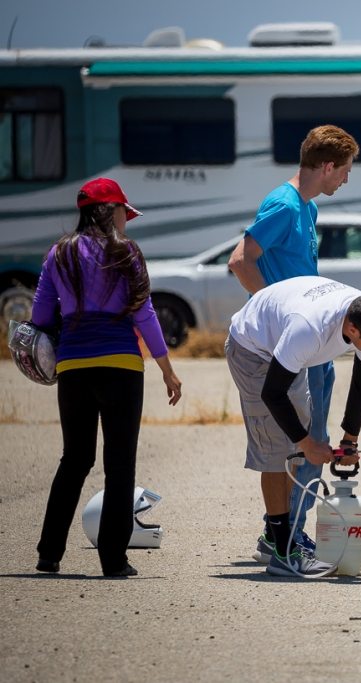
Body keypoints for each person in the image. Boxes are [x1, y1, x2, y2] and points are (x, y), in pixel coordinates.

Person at [31, 178, 183, 578]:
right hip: (120, 366)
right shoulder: (126, 252)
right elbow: (144, 313)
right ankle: (113, 561)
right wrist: (167, 368)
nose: (126, 220)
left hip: (73, 367)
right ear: (110, 211)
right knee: (119, 464)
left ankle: (49, 554)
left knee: (74, 459)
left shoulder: (57, 253)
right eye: (124, 212)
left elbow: (41, 316)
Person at [226, 124, 359, 562]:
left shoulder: (307, 207)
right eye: (344, 170)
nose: (346, 179)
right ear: (326, 166)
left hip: (314, 340)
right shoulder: (283, 204)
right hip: (293, 342)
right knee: (303, 441)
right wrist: (274, 316)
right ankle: (282, 537)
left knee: (313, 439)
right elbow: (241, 260)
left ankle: (287, 533)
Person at [224, 275, 361, 576]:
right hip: (252, 349)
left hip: (285, 349)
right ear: (352, 329)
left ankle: (275, 537)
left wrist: (350, 441)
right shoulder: (308, 330)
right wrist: (308, 444)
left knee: (293, 447)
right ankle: (282, 554)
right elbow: (272, 394)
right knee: (279, 451)